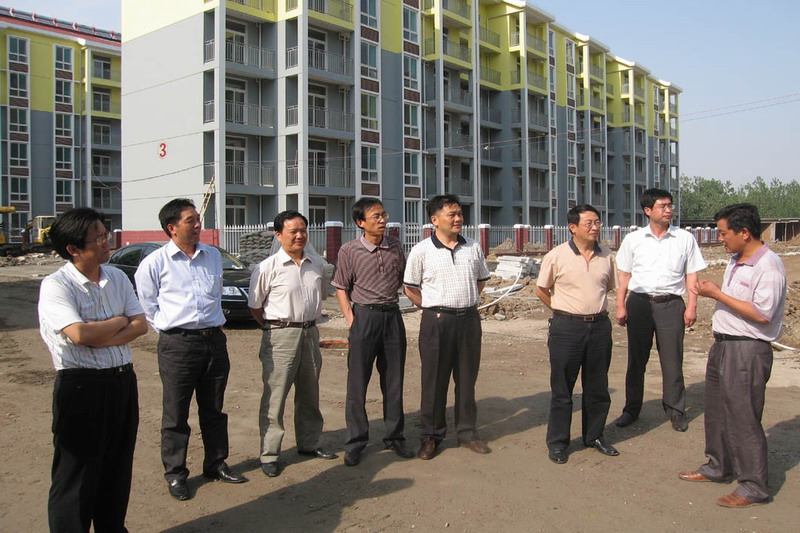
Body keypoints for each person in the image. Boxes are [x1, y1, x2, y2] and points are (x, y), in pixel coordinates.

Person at [38, 207, 148, 531]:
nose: (106, 241)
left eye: (105, 234)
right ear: (73, 248)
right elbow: (80, 335)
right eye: (98, 237)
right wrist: (119, 320)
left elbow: (141, 324)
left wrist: (102, 333)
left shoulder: (117, 277)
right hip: (81, 387)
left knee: (116, 467)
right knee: (76, 475)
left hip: (121, 382)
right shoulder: (57, 285)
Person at [135, 199, 247, 501]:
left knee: (214, 408)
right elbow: (148, 306)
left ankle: (216, 463)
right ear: (171, 228)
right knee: (176, 412)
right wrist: (173, 331)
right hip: (178, 345)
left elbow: (214, 295)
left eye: (198, 219)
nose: (198, 225)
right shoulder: (155, 263)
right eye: (190, 220)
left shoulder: (212, 256)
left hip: (214, 341)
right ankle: (175, 473)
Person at [679, 204, 786, 508]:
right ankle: (718, 466)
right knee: (717, 412)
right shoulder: (737, 259)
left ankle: (753, 486)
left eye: (724, 233)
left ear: (744, 232)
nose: (720, 238)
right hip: (724, 345)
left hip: (747, 350)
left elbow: (763, 314)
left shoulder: (769, 266)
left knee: (743, 418)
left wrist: (717, 294)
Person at [248, 210, 337, 478]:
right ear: (278, 235)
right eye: (293, 231)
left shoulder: (316, 265)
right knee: (275, 396)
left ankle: (309, 443)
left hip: (310, 332)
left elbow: (321, 297)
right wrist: (274, 326)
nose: (300, 236)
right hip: (280, 335)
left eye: (303, 230)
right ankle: (270, 453)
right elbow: (255, 306)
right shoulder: (267, 268)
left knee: (310, 392)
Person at [404, 194, 491, 460]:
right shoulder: (421, 250)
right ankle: (431, 437)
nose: (457, 219)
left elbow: (480, 281)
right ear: (434, 219)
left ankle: (467, 433)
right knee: (434, 381)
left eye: (460, 214)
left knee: (467, 380)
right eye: (451, 214)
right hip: (437, 322)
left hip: (469, 321)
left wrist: (464, 301)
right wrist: (433, 307)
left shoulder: (473, 247)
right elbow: (410, 288)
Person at [613, 188, 707, 431]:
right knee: (637, 361)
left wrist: (692, 306)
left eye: (670, 205)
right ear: (648, 210)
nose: (668, 210)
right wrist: (620, 305)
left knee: (672, 360)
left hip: (671, 305)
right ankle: (631, 409)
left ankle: (676, 410)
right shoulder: (633, 239)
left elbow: (692, 274)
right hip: (639, 304)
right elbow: (624, 275)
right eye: (662, 206)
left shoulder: (685, 239)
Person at [332, 198, 414, 467]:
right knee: (358, 383)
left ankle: (395, 437)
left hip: (392, 317)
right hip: (364, 318)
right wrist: (352, 320)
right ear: (361, 222)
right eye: (376, 216)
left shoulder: (395, 246)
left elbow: (405, 281)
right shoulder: (349, 251)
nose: (382, 220)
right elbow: (341, 287)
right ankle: (356, 442)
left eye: (383, 214)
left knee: (394, 381)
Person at [535, 205, 618, 464]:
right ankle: (558, 442)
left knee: (598, 387)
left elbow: (609, 287)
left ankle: (594, 436)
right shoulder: (556, 256)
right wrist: (562, 310)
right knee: (563, 389)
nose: (595, 227)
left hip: (599, 327)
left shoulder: (607, 255)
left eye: (597, 222)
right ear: (573, 227)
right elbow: (541, 289)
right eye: (589, 223)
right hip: (567, 329)